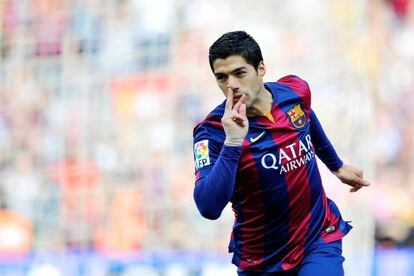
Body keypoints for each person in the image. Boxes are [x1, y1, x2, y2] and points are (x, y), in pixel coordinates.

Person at [192, 31, 370, 275]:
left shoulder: (294, 92)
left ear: (261, 68)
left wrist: (335, 165)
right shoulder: (211, 133)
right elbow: (208, 207)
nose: (231, 84)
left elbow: (305, 117)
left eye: (239, 73)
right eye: (221, 77)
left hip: (317, 237)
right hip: (262, 260)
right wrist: (233, 141)